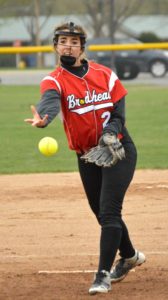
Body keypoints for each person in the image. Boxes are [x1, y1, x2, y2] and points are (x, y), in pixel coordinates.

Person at [25, 22, 146, 295]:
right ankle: (129, 256)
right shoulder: (54, 79)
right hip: (87, 156)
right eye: (63, 41)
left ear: (82, 46)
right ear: (56, 46)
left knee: (109, 211)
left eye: (73, 41)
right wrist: (44, 118)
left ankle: (102, 275)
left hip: (118, 150)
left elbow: (118, 114)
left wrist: (111, 134)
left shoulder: (105, 75)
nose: (68, 45)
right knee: (101, 213)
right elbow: (49, 100)